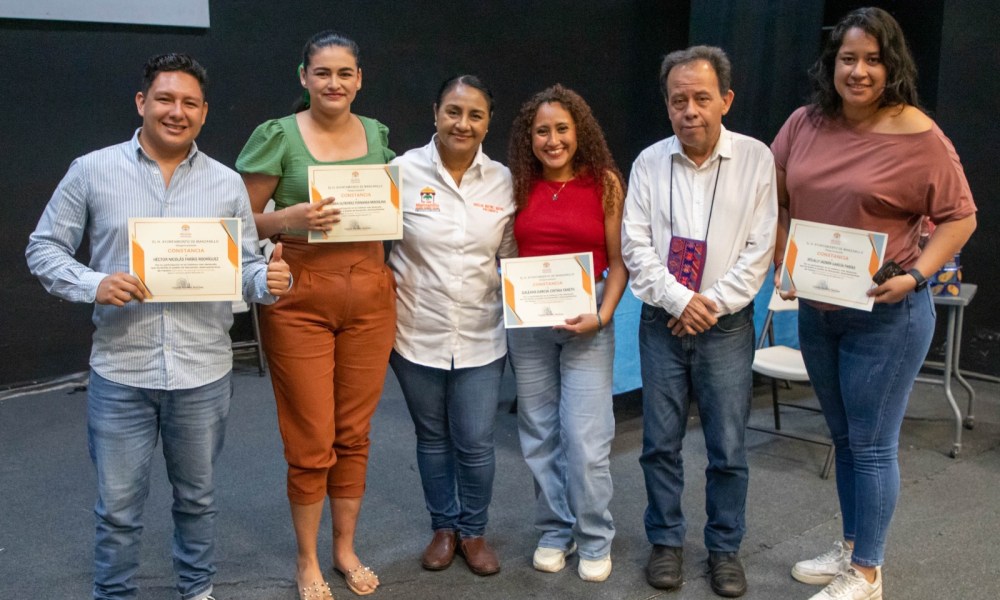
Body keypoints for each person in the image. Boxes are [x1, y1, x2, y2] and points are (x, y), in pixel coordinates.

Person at [25, 53, 291, 600]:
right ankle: (114, 594)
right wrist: (94, 283)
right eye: (165, 99)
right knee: (118, 508)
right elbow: (44, 247)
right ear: (142, 102)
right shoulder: (92, 170)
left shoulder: (225, 183)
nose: (177, 111)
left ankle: (197, 590)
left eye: (190, 103)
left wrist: (269, 280)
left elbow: (244, 268)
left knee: (197, 499)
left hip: (202, 371)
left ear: (204, 112)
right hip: (122, 370)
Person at [771, 8, 976, 600]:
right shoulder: (805, 123)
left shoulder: (922, 137)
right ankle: (852, 545)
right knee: (844, 439)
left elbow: (961, 218)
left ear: (892, 66)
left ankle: (867, 572)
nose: (858, 71)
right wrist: (784, 258)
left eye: (872, 60)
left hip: (887, 316)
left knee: (872, 443)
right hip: (819, 311)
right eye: (848, 59)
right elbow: (776, 198)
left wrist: (916, 276)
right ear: (831, 64)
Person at [236, 31, 397, 598]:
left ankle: (344, 549)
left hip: (371, 293)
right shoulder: (277, 135)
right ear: (303, 77)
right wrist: (289, 218)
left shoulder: (377, 135)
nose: (334, 83)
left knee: (353, 432)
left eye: (345, 73)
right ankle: (306, 560)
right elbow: (238, 219)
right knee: (311, 436)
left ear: (360, 79)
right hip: (300, 294)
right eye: (323, 72)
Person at [621, 46, 777, 598]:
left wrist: (704, 304)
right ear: (667, 105)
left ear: (725, 100)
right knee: (659, 443)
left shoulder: (756, 159)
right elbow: (635, 244)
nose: (689, 110)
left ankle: (724, 549)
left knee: (727, 448)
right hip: (661, 323)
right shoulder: (648, 162)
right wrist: (678, 301)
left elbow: (759, 249)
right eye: (678, 100)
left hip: (726, 327)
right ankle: (665, 541)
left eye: (702, 98)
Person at [386, 75, 516, 577]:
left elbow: (511, 258)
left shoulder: (503, 180)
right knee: (433, 437)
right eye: (453, 112)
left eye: (475, 115)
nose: (463, 123)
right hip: (415, 332)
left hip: (482, 334)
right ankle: (443, 527)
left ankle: (473, 531)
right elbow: (373, 241)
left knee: (476, 441)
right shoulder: (401, 171)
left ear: (488, 122)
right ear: (436, 113)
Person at [506, 84, 628, 583]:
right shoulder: (517, 185)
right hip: (529, 324)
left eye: (561, 129)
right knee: (538, 434)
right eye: (542, 131)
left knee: (585, 439)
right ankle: (556, 530)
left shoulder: (605, 184)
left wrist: (602, 315)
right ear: (528, 137)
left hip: (588, 322)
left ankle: (595, 535)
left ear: (580, 132)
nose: (552, 140)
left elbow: (619, 263)